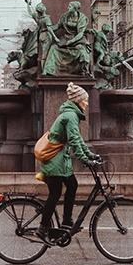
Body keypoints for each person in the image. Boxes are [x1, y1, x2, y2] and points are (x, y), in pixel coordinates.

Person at [36, 82, 100, 244]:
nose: (86, 103)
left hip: (59, 160)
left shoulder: (71, 114)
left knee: (72, 185)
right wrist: (85, 159)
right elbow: (73, 140)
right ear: (78, 100)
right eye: (84, 100)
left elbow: (78, 139)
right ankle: (43, 227)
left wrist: (90, 154)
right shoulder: (70, 116)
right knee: (55, 193)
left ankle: (66, 221)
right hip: (54, 161)